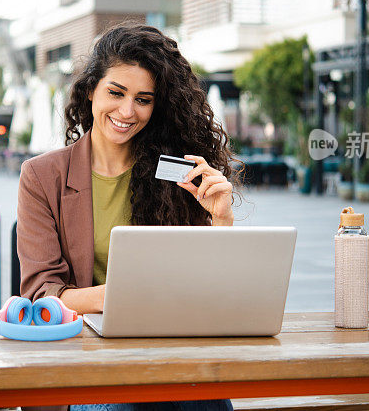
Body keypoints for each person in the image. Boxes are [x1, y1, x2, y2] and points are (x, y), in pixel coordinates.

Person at [17, 23, 236, 411]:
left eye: (143, 99)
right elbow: (41, 294)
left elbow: (208, 289)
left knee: (205, 399)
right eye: (115, 93)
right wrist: (131, 297)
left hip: (172, 354)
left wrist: (221, 219)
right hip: (91, 362)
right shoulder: (42, 176)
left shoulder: (173, 173)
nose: (127, 111)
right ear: (90, 92)